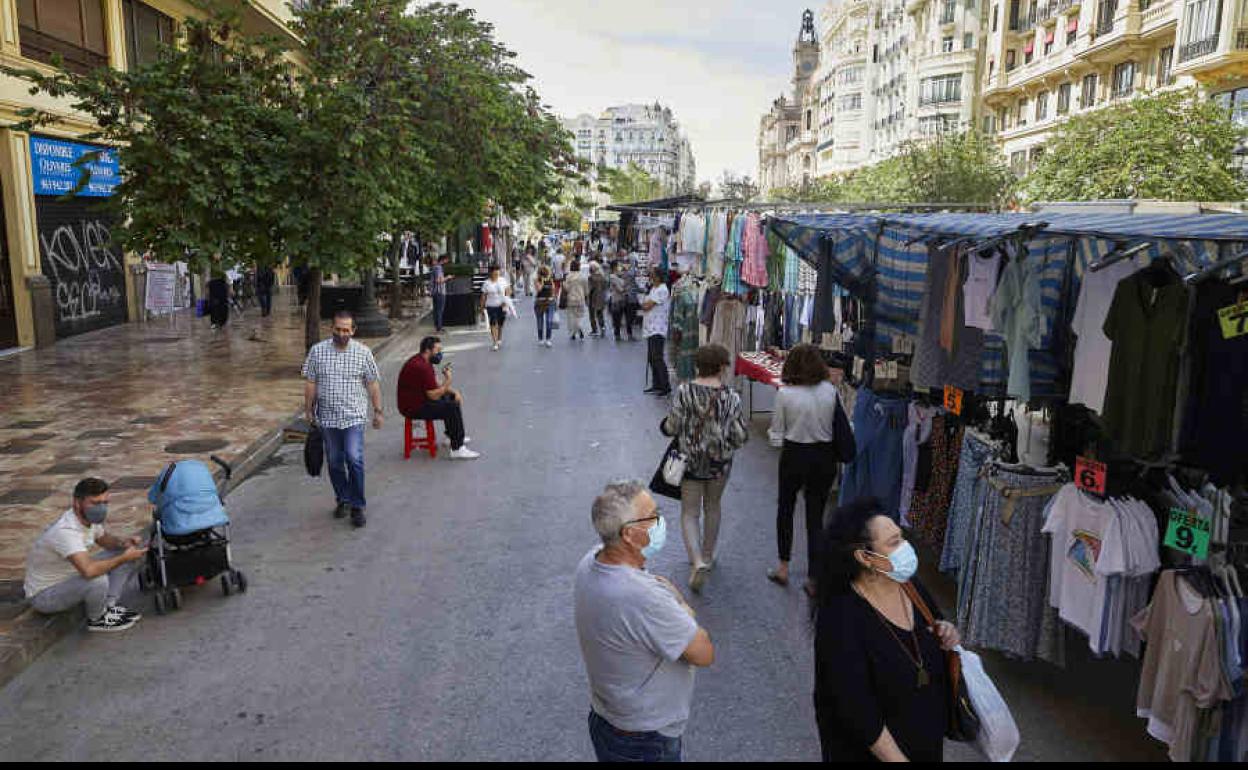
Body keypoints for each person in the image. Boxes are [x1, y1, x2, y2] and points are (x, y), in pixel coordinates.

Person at [575, 480, 716, 763]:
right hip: (645, 741)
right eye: (653, 516)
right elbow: (704, 653)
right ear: (629, 534)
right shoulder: (644, 597)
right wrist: (682, 605)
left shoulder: (590, 561)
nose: (660, 522)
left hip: (609, 721)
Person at [812, 499, 961, 763]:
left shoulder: (908, 585)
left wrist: (946, 632)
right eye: (894, 543)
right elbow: (856, 707)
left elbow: (934, 624)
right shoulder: (840, 618)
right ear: (865, 557)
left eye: (901, 538)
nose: (906, 548)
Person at [661, 345, 750, 594]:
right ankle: (708, 556)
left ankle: (696, 559)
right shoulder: (731, 397)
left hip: (689, 460)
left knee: (689, 512)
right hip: (719, 462)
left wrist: (668, 428)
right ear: (722, 367)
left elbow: (673, 425)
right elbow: (740, 436)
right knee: (713, 506)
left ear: (698, 365)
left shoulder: (684, 391)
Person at [767, 344, 843, 597]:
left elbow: (777, 434)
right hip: (824, 457)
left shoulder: (785, 394)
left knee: (785, 510)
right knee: (815, 518)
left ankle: (783, 566)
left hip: (794, 454)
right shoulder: (830, 391)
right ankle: (814, 576)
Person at [24, 478, 147, 632]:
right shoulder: (66, 532)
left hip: (71, 578)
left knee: (126, 552)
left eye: (104, 503)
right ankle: (97, 619)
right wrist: (124, 558)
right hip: (45, 596)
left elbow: (105, 540)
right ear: (77, 503)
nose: (101, 508)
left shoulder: (89, 519)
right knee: (96, 578)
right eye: (95, 503)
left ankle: (108, 606)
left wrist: (124, 543)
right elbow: (89, 571)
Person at [302, 311, 385, 528]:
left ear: (353, 331)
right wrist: (308, 409)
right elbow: (311, 382)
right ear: (332, 328)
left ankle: (357, 505)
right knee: (335, 461)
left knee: (353, 457)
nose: (342, 334)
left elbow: (373, 383)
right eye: (338, 329)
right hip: (327, 418)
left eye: (346, 330)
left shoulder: (363, 353)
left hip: (354, 417)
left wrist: (378, 411)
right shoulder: (317, 352)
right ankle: (343, 498)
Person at [397, 336, 481, 460]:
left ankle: (452, 436)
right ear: (427, 350)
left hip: (420, 399)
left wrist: (453, 391)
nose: (440, 354)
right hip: (413, 407)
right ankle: (457, 448)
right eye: (438, 350)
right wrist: (448, 380)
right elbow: (434, 395)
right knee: (451, 407)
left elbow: (435, 384)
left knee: (450, 397)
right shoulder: (422, 367)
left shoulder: (424, 361)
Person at [641, 268, 672, 397]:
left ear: (659, 277)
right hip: (650, 327)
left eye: (653, 276)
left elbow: (647, 305)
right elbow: (645, 303)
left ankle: (665, 386)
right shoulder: (654, 289)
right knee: (652, 358)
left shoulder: (662, 290)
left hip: (658, 328)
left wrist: (646, 303)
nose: (651, 278)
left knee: (657, 357)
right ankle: (656, 384)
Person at [481, 264, 511, 352]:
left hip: (502, 306)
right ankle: (495, 342)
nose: (496, 275)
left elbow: (508, 290)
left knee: (500, 324)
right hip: (491, 306)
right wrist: (482, 308)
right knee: (493, 323)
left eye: (498, 273)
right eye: (494, 273)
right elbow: (483, 296)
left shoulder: (503, 280)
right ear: (491, 273)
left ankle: (499, 338)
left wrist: (506, 301)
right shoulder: (486, 283)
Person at [609, 261, 637, 342]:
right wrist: (626, 287)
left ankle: (629, 335)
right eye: (618, 266)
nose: (620, 267)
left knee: (627, 318)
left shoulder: (620, 275)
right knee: (617, 318)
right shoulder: (613, 277)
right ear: (614, 267)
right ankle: (617, 335)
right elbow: (620, 289)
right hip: (617, 300)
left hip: (624, 299)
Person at [564, 259, 589, 342]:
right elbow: (586, 290)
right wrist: (586, 296)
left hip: (571, 298)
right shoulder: (582, 276)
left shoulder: (568, 276)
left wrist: (564, 285)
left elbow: (566, 288)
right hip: (580, 298)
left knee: (571, 317)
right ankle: (578, 328)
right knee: (579, 316)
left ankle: (574, 333)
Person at [534, 265, 556, 348]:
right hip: (540, 302)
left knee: (549, 321)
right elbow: (538, 289)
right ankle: (540, 339)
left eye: (545, 273)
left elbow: (553, 290)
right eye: (542, 273)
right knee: (540, 322)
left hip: (550, 302)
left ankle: (548, 339)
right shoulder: (537, 280)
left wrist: (554, 299)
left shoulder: (550, 280)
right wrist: (542, 282)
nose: (544, 275)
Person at [588, 261, 608, 339]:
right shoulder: (603, 276)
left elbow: (590, 289)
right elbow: (606, 286)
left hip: (593, 297)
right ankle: (602, 327)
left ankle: (594, 330)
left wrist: (587, 296)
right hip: (601, 297)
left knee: (592, 314)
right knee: (600, 313)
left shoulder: (591, 277)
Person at [431, 255, 449, 332]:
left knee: (436, 310)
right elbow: (438, 280)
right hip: (439, 291)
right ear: (443, 260)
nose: (447, 262)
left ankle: (437, 326)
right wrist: (448, 277)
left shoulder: (435, 267)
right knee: (439, 310)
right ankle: (439, 327)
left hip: (435, 291)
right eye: (446, 260)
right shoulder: (438, 268)